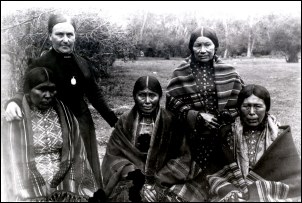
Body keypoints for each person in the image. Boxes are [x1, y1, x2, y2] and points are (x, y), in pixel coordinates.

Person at [4, 14, 118, 188]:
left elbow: (95, 94)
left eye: (70, 35)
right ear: (50, 36)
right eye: (59, 34)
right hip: (55, 125)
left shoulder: (82, 63)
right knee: (62, 173)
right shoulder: (40, 63)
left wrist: (114, 121)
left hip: (82, 123)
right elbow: (24, 91)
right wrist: (11, 102)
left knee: (87, 172)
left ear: (75, 36)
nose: (65, 40)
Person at [165, 26, 245, 200]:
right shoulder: (180, 72)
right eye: (197, 45)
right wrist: (197, 116)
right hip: (190, 137)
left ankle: (221, 185)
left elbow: (242, 101)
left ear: (215, 46)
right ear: (191, 48)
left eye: (207, 45)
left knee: (225, 175)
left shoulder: (229, 71)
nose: (202, 50)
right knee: (191, 178)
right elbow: (171, 102)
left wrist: (225, 116)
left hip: (222, 136)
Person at [1, 67, 98, 201]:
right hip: (28, 183)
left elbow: (77, 154)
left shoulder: (65, 114)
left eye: (52, 89)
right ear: (29, 90)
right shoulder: (15, 118)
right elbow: (10, 161)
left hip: (63, 182)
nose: (48, 95)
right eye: (41, 89)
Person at [102, 76, 196, 202]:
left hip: (165, 179)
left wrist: (157, 183)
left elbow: (183, 156)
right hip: (132, 178)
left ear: (159, 96)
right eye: (142, 95)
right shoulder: (124, 121)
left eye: (152, 95)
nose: (147, 101)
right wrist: (139, 182)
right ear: (134, 96)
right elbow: (113, 156)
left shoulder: (170, 121)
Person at [207, 84, 301, 202]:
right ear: (239, 108)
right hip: (235, 191)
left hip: (268, 190)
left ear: (266, 108)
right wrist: (231, 191)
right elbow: (216, 173)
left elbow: (294, 177)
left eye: (257, 106)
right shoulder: (227, 134)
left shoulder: (279, 136)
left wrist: (259, 190)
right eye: (246, 106)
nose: (252, 112)